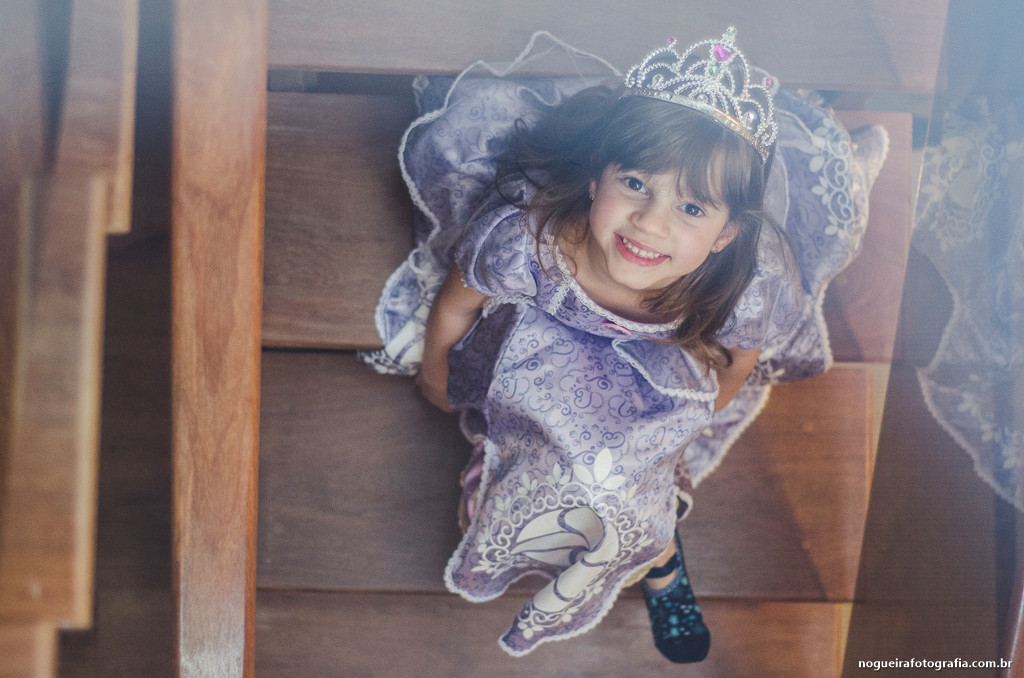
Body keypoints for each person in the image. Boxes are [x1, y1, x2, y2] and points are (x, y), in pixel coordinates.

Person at [362, 29, 887, 661]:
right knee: (546, 462)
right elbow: (457, 304)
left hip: (660, 378)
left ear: (724, 236)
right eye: (635, 183)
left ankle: (659, 556)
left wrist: (683, 427)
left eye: (692, 208)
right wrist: (436, 374)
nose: (650, 221)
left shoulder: (746, 281)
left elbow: (737, 363)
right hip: (537, 356)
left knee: (629, 489)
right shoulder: (528, 239)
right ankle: (503, 472)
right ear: (595, 180)